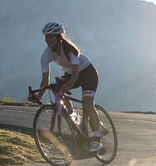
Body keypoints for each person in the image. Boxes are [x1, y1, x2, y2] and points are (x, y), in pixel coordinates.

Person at [31, 22, 103, 152]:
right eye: (46, 37)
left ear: (59, 37)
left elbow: (76, 75)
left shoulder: (71, 51)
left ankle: (97, 138)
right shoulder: (46, 54)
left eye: (51, 37)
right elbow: (45, 80)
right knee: (56, 88)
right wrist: (39, 96)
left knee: (87, 103)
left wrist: (66, 88)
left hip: (87, 73)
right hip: (70, 74)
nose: (48, 41)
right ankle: (72, 113)